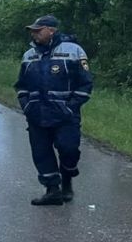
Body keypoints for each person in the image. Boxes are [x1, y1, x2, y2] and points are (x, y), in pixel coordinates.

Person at [14, 15, 93, 206]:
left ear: (51, 30)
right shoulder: (29, 55)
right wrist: (27, 106)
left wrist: (70, 107)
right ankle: (52, 190)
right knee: (41, 152)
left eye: (38, 30)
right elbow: (21, 85)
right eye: (33, 30)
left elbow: (85, 83)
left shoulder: (74, 51)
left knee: (69, 149)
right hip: (37, 114)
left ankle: (66, 180)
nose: (34, 34)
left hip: (65, 114)